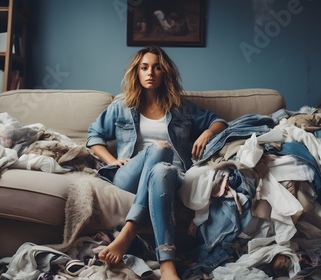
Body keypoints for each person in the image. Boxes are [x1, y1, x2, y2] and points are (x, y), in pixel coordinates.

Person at [86, 45, 227, 279]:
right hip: (129, 175)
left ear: (165, 73)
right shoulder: (121, 107)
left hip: (173, 178)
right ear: (137, 73)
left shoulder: (182, 109)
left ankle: (165, 263)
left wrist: (206, 133)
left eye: (157, 67)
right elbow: (93, 136)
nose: (150, 72)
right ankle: (144, 243)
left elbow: (219, 122)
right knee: (159, 150)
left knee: (163, 166)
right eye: (144, 68)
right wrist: (113, 160)